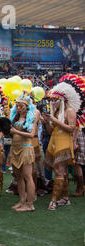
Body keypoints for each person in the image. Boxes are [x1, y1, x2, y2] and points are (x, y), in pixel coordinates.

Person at [43, 78, 79, 210]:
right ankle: (65, 198)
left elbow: (71, 129)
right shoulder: (57, 112)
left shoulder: (69, 111)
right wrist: (47, 122)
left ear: (62, 100)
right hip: (55, 141)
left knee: (59, 170)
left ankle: (54, 200)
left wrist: (54, 120)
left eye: (54, 100)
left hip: (64, 142)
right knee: (60, 171)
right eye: (51, 100)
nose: (52, 103)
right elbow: (51, 131)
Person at [8, 94, 37, 212]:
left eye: (21, 106)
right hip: (15, 149)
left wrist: (16, 131)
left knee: (27, 176)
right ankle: (22, 200)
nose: (18, 108)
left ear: (26, 106)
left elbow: (31, 134)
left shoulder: (31, 118)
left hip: (26, 149)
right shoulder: (15, 118)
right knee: (18, 176)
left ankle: (30, 204)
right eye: (17, 105)